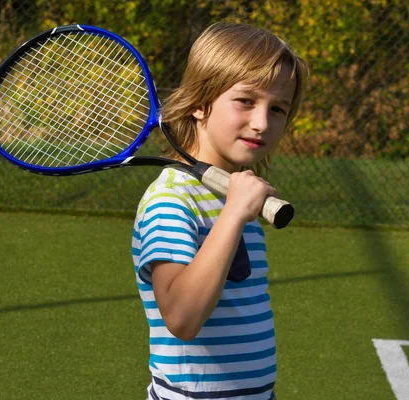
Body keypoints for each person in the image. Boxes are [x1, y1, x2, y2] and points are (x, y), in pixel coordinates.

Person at [132, 21, 308, 400]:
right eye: (245, 101)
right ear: (200, 103)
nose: (262, 123)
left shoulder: (233, 193)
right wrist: (232, 216)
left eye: (278, 108)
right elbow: (182, 317)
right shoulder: (171, 199)